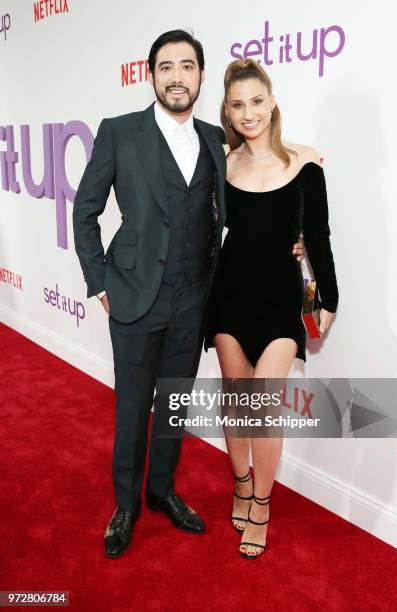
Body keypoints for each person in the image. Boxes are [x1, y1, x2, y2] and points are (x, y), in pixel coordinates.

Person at [73, 30, 303, 559]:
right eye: (166, 67)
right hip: (132, 295)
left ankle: (162, 490)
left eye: (187, 67)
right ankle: (126, 505)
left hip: (194, 299)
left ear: (201, 76)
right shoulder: (119, 132)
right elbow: (84, 212)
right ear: (149, 74)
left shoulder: (213, 142)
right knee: (133, 407)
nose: (177, 76)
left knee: (174, 403)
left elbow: (270, 167)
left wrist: (299, 220)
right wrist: (99, 282)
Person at [205, 59, 339, 559]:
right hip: (229, 297)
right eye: (237, 104)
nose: (248, 112)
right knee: (236, 401)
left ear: (272, 101)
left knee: (263, 407)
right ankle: (240, 481)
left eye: (256, 101)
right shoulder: (221, 163)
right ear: (227, 108)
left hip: (283, 300)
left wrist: (329, 297)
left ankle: (261, 502)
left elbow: (319, 237)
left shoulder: (305, 166)